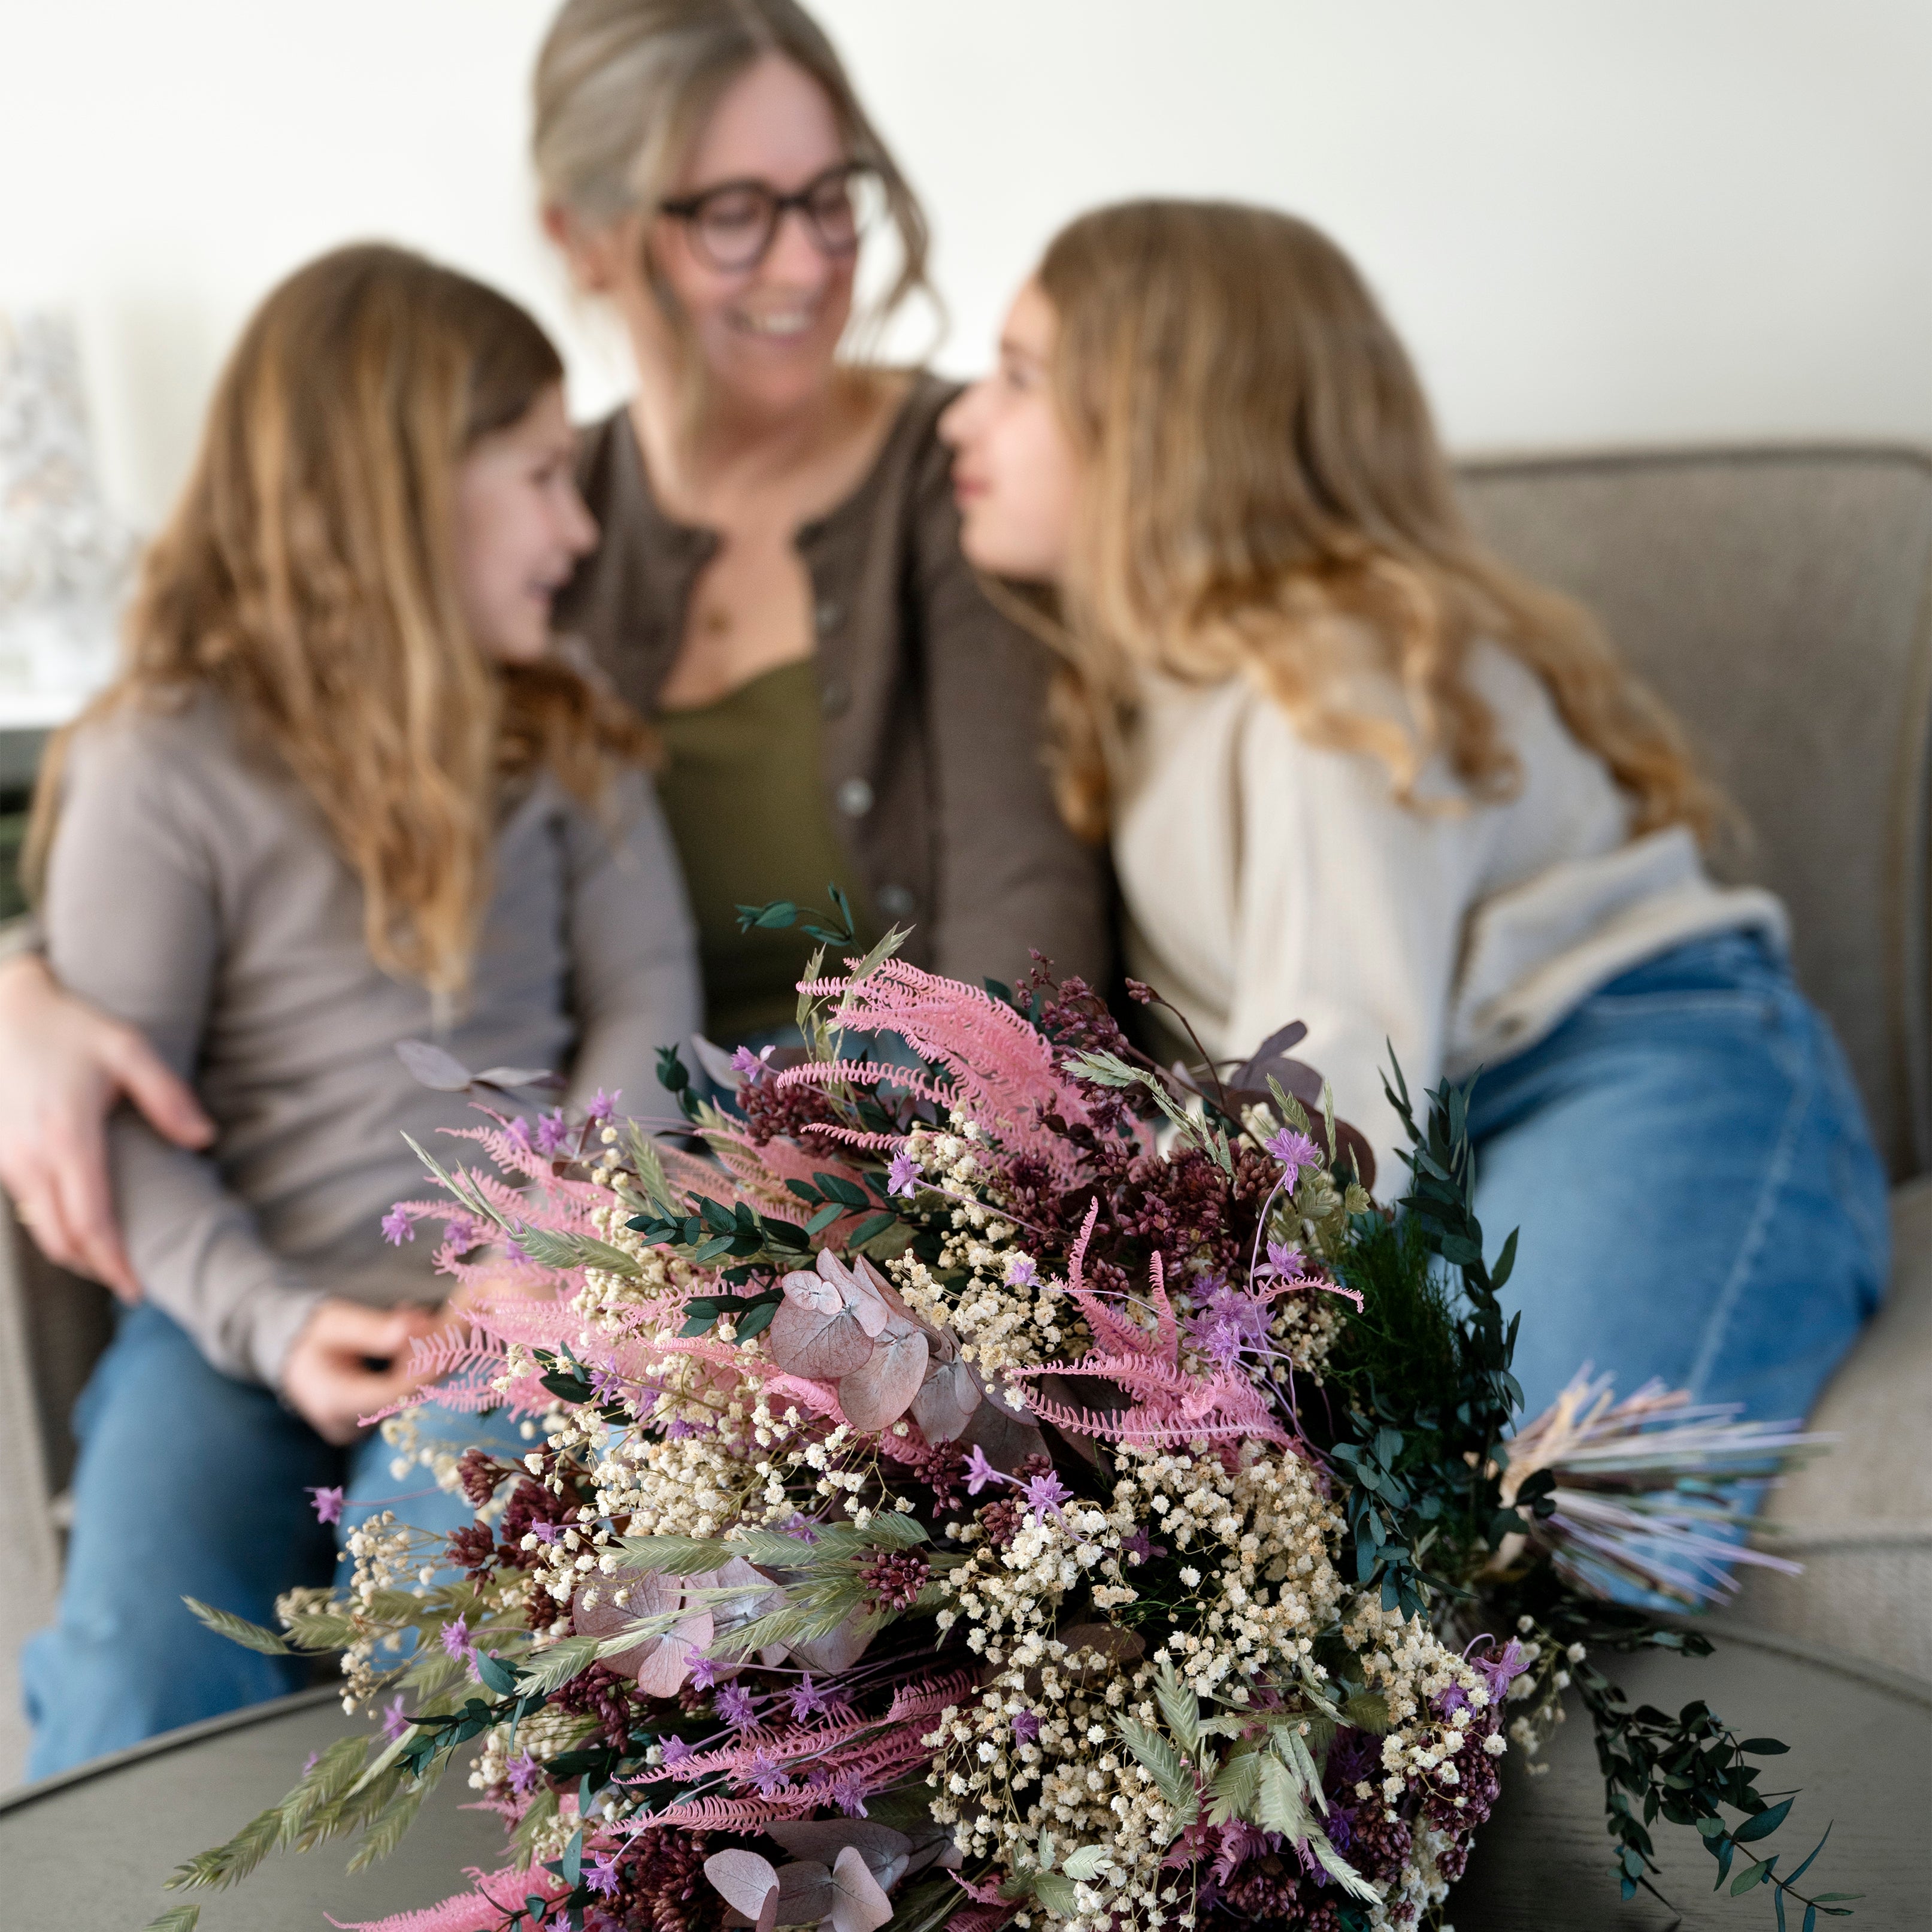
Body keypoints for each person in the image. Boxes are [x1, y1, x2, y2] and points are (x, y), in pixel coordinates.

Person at [0, 0, 1109, 1293]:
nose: (808, 265)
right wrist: (20, 990)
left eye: (830, 197)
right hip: (580, 1179)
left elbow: (1024, 973)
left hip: (867, 1178)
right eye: (731, 212)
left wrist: (799, 1218)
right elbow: (201, 796)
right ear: (582, 240)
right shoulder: (512, 525)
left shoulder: (960, 484)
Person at [938, 198, 1888, 1429]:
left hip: (1635, 1070)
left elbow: (1338, 1063)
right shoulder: (1158, 683)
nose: (962, 415)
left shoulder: (1331, 673)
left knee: (1512, 1497)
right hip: (1461, 1139)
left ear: (1162, 425)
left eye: (1017, 377)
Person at [19, 245, 701, 1775]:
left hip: (516, 1311)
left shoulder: (561, 724)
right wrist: (274, 1323)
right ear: (401, 496)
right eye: (538, 474)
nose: (576, 527)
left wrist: (544, 1243)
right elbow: (116, 1119)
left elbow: (645, 992)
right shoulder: (155, 761)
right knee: (130, 1686)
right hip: (229, 1312)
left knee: (443, 1646)